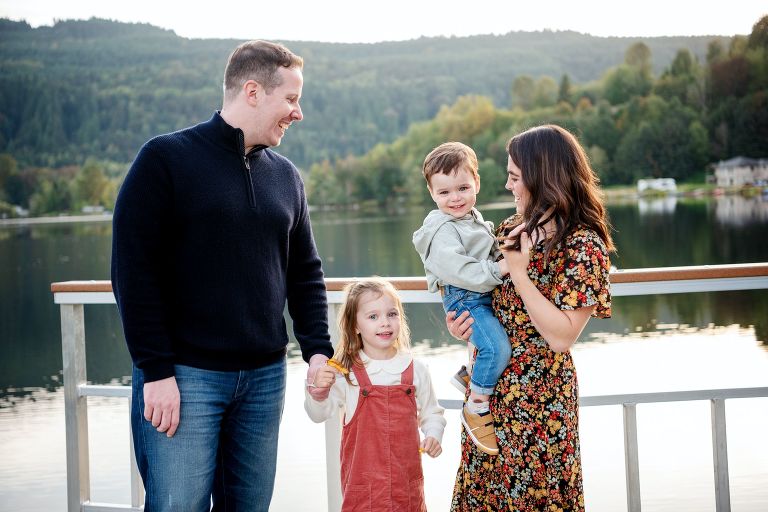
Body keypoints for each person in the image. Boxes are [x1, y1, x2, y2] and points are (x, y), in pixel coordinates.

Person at [111, 40, 335, 511]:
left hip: (265, 379)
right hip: (184, 377)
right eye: (291, 99)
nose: (298, 113)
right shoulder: (165, 160)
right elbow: (133, 272)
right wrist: (156, 371)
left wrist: (317, 350)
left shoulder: (286, 177)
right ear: (253, 91)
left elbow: (305, 273)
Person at [447, 124, 613, 511]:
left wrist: (520, 274)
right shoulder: (510, 229)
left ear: (542, 177)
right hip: (488, 399)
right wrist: (464, 328)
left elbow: (561, 337)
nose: (508, 186)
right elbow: (486, 299)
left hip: (541, 403)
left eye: (514, 176)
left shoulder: (583, 245)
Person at [305, 277, 446, 512]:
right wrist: (318, 392)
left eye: (392, 314)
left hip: (406, 492)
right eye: (373, 316)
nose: (385, 323)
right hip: (363, 494)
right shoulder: (346, 373)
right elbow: (318, 414)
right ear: (355, 326)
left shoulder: (416, 369)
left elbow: (433, 413)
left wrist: (433, 434)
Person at [412, 141, 511, 456]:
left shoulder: (472, 218)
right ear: (432, 193)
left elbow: (485, 249)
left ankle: (469, 375)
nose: (455, 198)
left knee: (495, 340)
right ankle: (476, 405)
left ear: (477, 183)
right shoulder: (441, 230)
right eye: (444, 192)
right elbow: (460, 270)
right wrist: (500, 268)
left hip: (480, 293)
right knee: (496, 347)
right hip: (465, 298)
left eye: (463, 188)